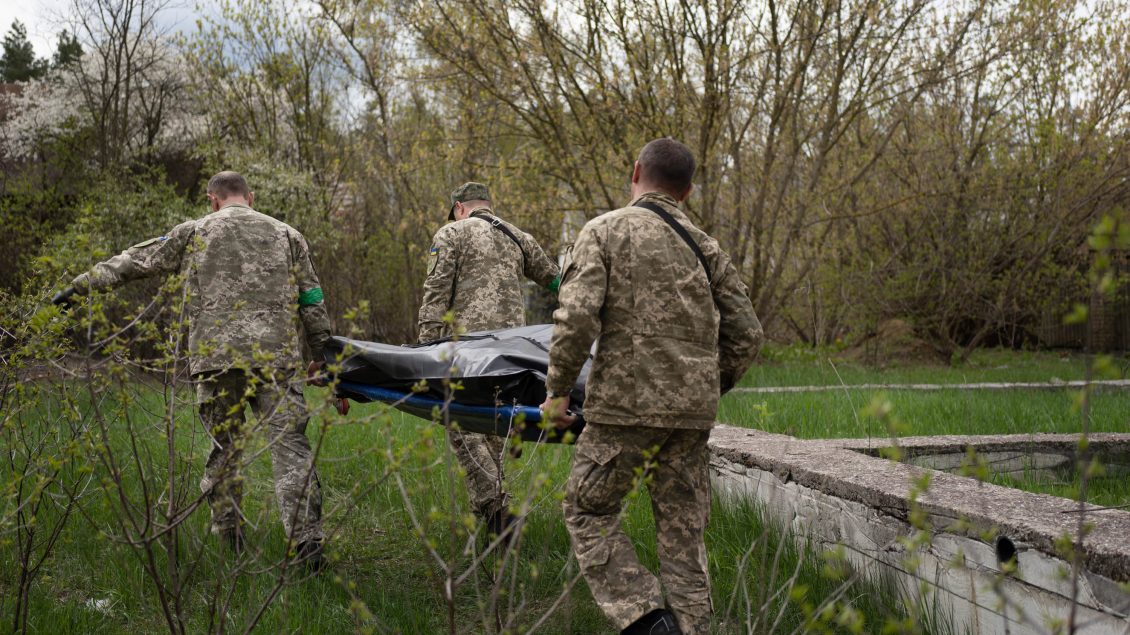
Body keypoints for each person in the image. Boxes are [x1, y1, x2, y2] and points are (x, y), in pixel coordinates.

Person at [52, 171, 332, 570]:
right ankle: (307, 548)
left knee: (224, 450)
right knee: (290, 449)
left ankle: (231, 541)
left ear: (212, 199)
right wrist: (323, 353)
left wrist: (77, 288)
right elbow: (312, 297)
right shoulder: (288, 234)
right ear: (249, 197)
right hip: (277, 360)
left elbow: (134, 261)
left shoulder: (194, 231)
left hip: (216, 360)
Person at [540, 138, 763, 635]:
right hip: (692, 416)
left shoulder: (603, 231)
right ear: (686, 191)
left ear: (636, 170)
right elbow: (748, 334)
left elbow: (576, 317)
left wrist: (556, 393)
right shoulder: (707, 247)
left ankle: (645, 618)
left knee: (586, 508)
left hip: (624, 409)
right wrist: (705, 384)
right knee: (684, 535)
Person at [417, 181, 560, 536]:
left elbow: (435, 294)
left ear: (459, 208)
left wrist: (424, 351)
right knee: (493, 426)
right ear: (489, 206)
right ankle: (495, 526)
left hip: (470, 349)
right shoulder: (518, 236)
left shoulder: (451, 233)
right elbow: (556, 281)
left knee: (460, 421)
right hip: (516, 351)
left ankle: (496, 511)